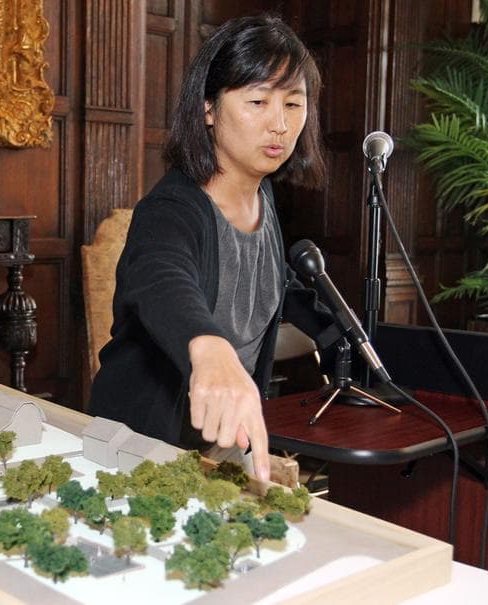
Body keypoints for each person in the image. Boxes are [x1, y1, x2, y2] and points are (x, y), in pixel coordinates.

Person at [89, 14, 339, 483]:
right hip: (138, 451)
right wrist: (209, 348)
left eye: (294, 104)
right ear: (208, 108)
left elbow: (265, 289)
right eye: (258, 101)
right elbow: (162, 275)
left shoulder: (262, 198)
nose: (280, 125)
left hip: (215, 453)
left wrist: (343, 337)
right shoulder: (172, 207)